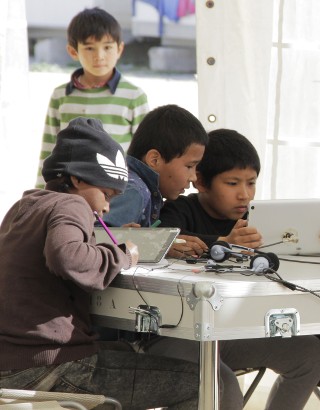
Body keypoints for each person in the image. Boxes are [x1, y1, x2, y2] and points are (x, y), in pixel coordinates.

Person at [0, 117, 199, 409]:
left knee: (121, 350)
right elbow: (67, 256)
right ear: (77, 179)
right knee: (202, 384)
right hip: (49, 367)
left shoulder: (26, 205)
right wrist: (122, 254)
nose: (106, 207)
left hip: (10, 365)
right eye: (105, 195)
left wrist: (100, 245)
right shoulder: (73, 204)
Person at [152, 129, 320, 410]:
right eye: (232, 182)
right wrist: (223, 243)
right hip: (178, 334)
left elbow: (286, 250)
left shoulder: (257, 220)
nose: (245, 194)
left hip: (228, 333)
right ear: (201, 181)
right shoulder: (177, 211)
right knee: (222, 387)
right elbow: (168, 243)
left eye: (251, 183)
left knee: (309, 353)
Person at [37, 7, 149, 188]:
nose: (99, 56)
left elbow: (143, 154)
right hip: (72, 191)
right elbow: (49, 148)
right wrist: (41, 192)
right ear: (73, 51)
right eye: (89, 48)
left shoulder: (134, 96)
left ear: (119, 49)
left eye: (107, 47)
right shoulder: (61, 96)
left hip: (118, 192)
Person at [102, 104, 207, 228]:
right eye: (189, 166)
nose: (193, 177)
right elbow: (99, 237)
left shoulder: (136, 185)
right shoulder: (134, 191)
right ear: (154, 160)